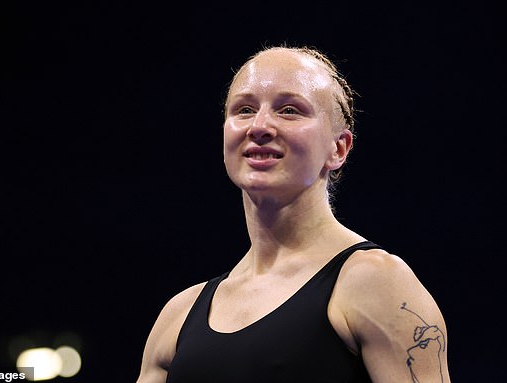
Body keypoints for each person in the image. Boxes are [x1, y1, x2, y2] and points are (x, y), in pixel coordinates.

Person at [136, 44, 451, 383]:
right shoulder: (178, 316)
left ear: (338, 148)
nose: (259, 126)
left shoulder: (376, 283)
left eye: (289, 110)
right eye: (243, 109)